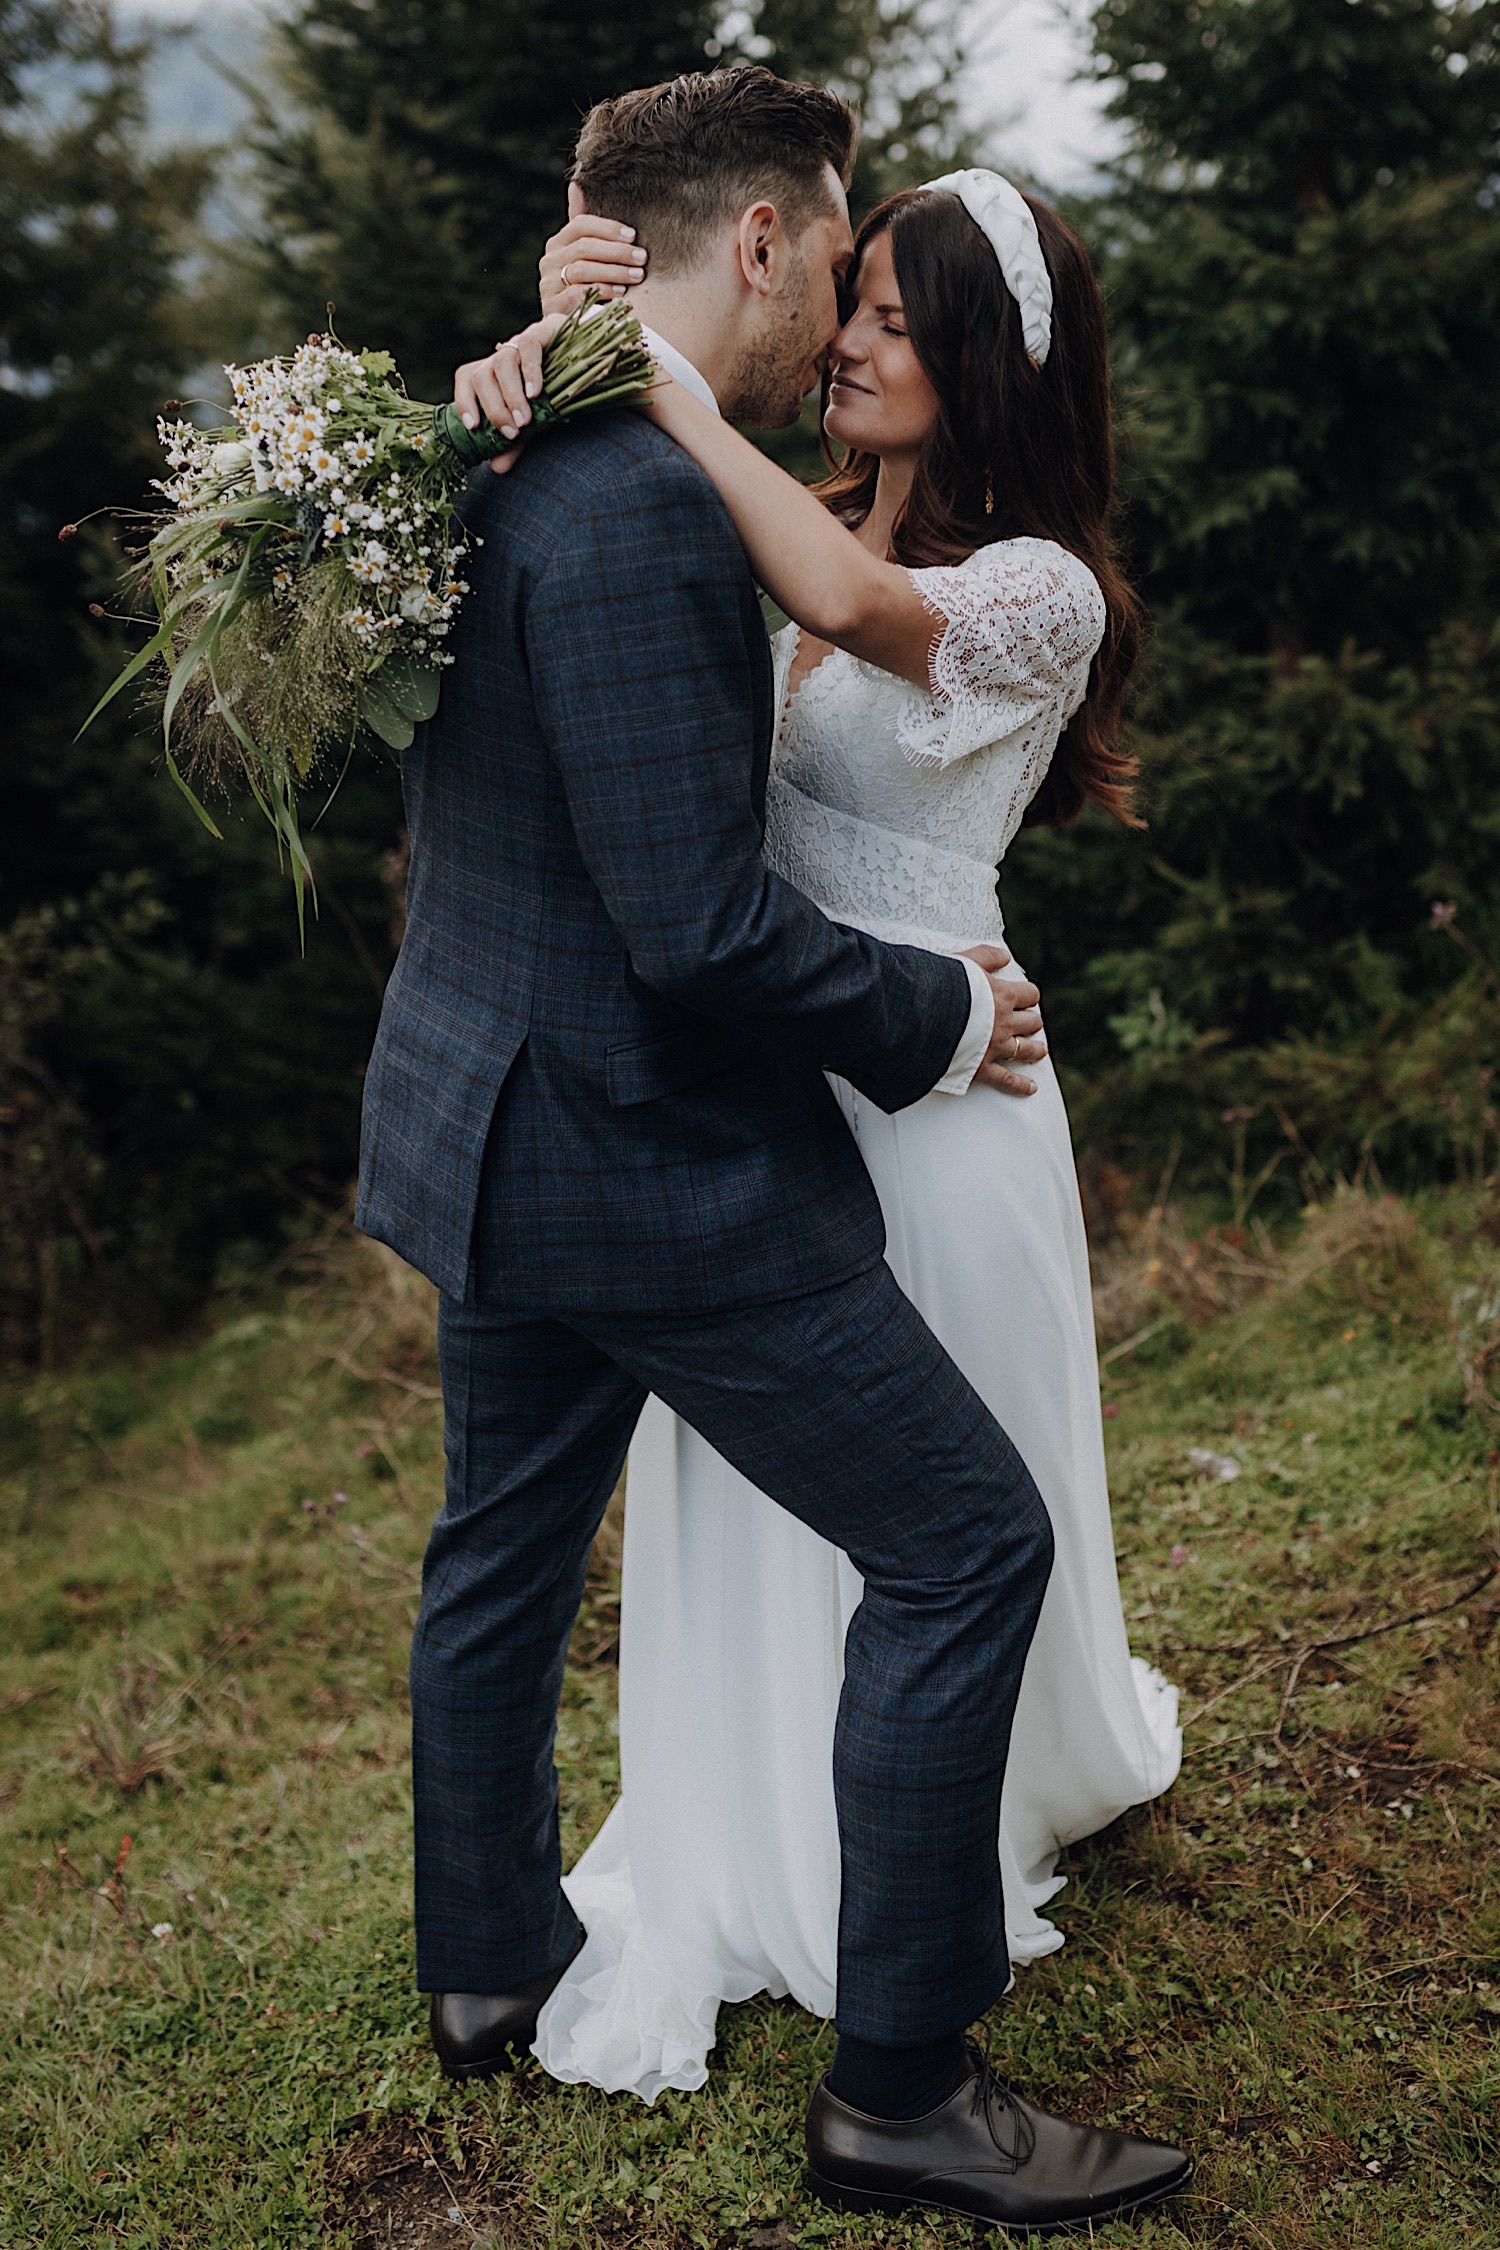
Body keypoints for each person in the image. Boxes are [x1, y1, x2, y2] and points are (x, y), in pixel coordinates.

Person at [362, 64, 1189, 2233]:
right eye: (839, 262)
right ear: (760, 243)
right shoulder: (636, 482)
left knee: (503, 1551)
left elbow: (809, 639)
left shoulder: (527, 445)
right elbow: (702, 922)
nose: (843, 316)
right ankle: (903, 2093)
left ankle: (485, 1967)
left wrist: (570, 344)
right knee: (958, 1548)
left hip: (494, 1104)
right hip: (664, 1137)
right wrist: (931, 1015)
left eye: (897, 304)